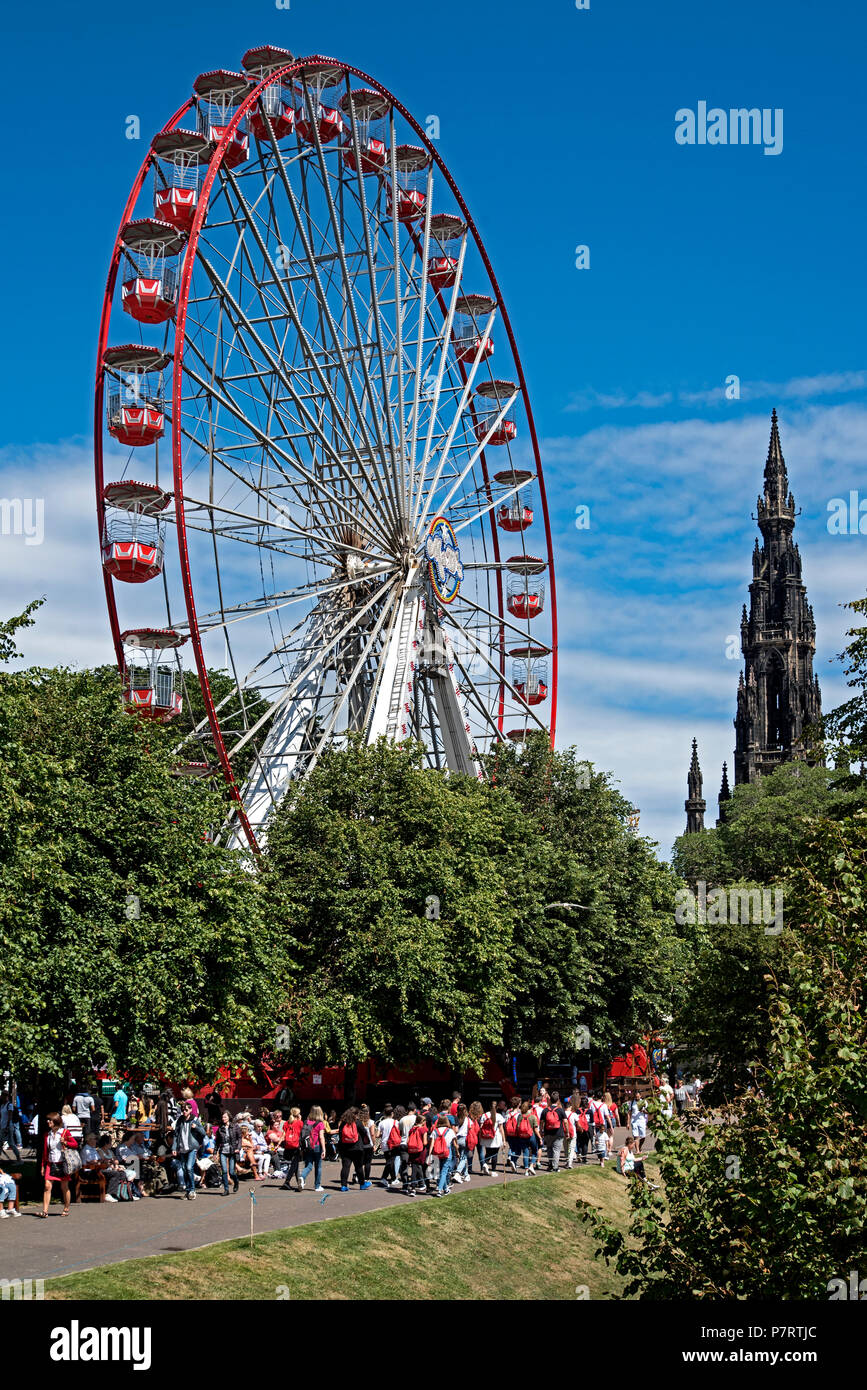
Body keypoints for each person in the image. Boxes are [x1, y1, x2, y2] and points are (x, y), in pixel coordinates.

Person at [40, 1112, 78, 1217]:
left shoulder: (65, 1132)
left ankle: (66, 1207)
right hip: (50, 1163)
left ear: (56, 1121)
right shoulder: (47, 1135)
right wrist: (43, 1165)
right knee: (47, 1186)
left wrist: (65, 1142)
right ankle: (45, 1211)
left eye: (50, 1120)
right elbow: (45, 1152)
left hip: (62, 1163)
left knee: (64, 1186)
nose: (48, 1122)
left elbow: (75, 1144)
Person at [171, 1100, 205, 1199]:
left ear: (190, 1110)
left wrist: (197, 1127)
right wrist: (174, 1147)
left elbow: (203, 1133)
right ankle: (188, 1191)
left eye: (186, 1110)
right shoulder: (180, 1120)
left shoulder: (195, 1120)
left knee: (189, 1167)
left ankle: (192, 1190)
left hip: (192, 1148)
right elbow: (176, 1135)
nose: (184, 1112)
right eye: (182, 1110)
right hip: (182, 1148)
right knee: (185, 1169)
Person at [337, 1108, 369, 1191]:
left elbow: (340, 1135)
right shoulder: (358, 1123)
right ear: (355, 1114)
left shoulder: (343, 1123)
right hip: (357, 1148)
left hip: (345, 1149)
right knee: (358, 1167)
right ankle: (362, 1184)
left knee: (345, 1167)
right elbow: (364, 1133)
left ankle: (343, 1186)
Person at [299, 1105, 326, 1192]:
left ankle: (302, 1177)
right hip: (317, 1146)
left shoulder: (306, 1122)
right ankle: (317, 1186)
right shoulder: (320, 1123)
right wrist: (324, 1149)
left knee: (309, 1165)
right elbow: (321, 1137)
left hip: (307, 1146)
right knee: (318, 1166)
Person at [429, 1110, 456, 1195]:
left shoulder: (435, 1131)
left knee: (441, 1171)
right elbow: (455, 1144)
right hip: (447, 1151)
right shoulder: (450, 1131)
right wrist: (458, 1152)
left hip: (437, 1152)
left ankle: (446, 1189)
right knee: (444, 1171)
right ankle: (440, 1189)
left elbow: (432, 1144)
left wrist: (429, 1154)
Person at [216, 1110, 242, 1195]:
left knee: (231, 1172)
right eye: (222, 1117)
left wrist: (238, 1148)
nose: (223, 1119)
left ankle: (236, 1181)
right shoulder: (220, 1128)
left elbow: (239, 1138)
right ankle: (226, 1189)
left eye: (225, 1117)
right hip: (223, 1150)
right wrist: (215, 1152)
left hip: (232, 1150)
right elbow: (217, 1141)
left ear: (229, 1117)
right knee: (224, 1170)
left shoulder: (235, 1126)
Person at [540, 1091, 567, 1172]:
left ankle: (550, 1165)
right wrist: (567, 1131)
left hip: (548, 1132)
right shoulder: (560, 1110)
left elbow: (541, 1122)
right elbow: (565, 1122)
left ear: (550, 1100)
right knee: (556, 1150)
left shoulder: (545, 1110)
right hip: (558, 1133)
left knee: (549, 1149)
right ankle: (555, 1167)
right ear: (558, 1100)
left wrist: (541, 1131)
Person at [280, 1107, 304, 1191]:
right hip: (296, 1145)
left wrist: (279, 1144)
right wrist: (300, 1119)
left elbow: (283, 1134)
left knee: (295, 1164)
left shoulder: (286, 1123)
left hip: (288, 1146)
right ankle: (287, 1181)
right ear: (298, 1114)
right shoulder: (300, 1123)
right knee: (294, 1164)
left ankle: (299, 1183)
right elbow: (302, 1134)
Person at [404, 1114, 428, 1194]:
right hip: (420, 1151)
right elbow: (424, 1142)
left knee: (415, 1167)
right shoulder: (423, 1129)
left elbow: (407, 1141)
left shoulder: (412, 1130)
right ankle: (419, 1185)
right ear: (422, 1121)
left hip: (412, 1150)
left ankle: (416, 1186)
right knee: (420, 1168)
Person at [477, 1102, 504, 1175]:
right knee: (495, 1154)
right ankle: (494, 1170)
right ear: (497, 1107)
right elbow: (501, 1129)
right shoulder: (499, 1116)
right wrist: (504, 1140)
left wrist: (480, 1138)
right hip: (496, 1137)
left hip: (486, 1137)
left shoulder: (484, 1115)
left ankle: (485, 1164)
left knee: (488, 1153)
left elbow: (481, 1128)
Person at [0, 1093, 23, 1161]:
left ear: (6, 1097)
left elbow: (10, 1116)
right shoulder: (2, 1106)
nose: (1, 1097)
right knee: (1, 1143)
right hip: (2, 1126)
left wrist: (7, 1126)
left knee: (11, 1143)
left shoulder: (9, 1105)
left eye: (2, 1096)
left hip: (8, 1127)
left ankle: (19, 1158)